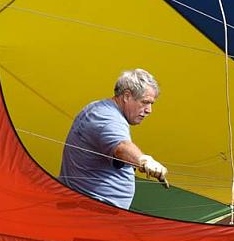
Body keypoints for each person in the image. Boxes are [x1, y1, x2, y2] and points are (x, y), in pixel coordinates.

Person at [59, 69, 168, 209]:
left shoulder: (100, 108)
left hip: (89, 207)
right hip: (92, 212)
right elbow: (121, 147)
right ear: (127, 96)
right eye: (145, 102)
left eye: (151, 104)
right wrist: (144, 160)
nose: (149, 110)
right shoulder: (107, 118)